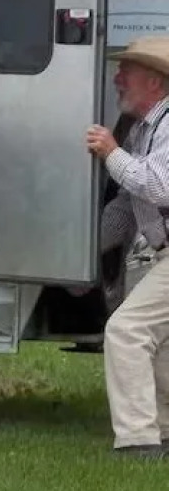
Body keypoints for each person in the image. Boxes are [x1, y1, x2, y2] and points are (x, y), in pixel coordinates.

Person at [86, 34, 169, 458]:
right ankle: (163, 434)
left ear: (154, 82)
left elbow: (156, 186)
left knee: (127, 330)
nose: (117, 78)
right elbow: (128, 205)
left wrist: (111, 153)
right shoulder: (146, 127)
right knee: (161, 343)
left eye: (127, 71)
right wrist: (81, 248)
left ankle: (139, 441)